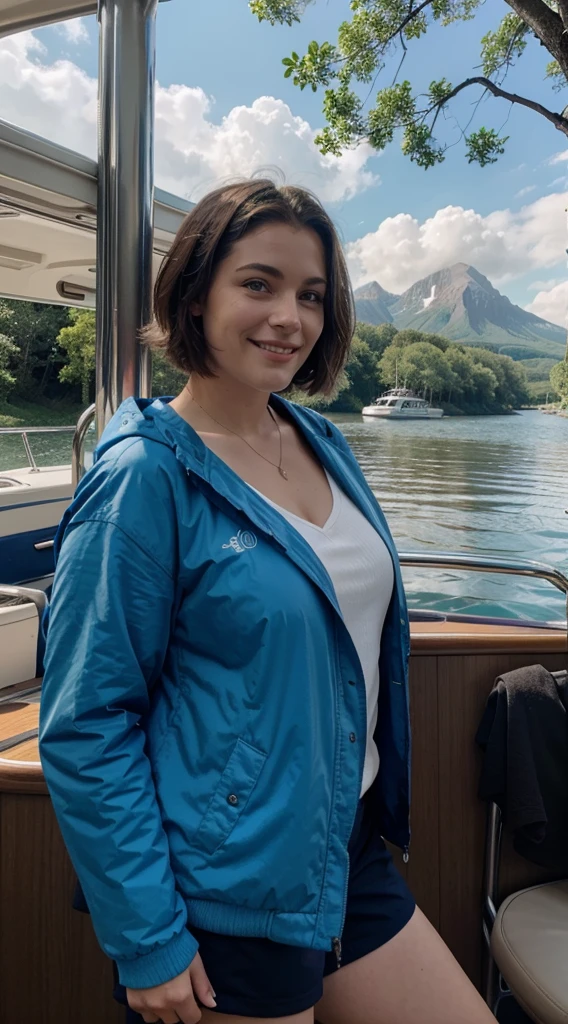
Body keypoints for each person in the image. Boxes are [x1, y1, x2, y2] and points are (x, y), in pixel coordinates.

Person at [39, 179, 496, 1024]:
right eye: (259, 284)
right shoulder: (143, 476)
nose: (290, 316)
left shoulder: (320, 439)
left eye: (312, 295)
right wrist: (148, 938)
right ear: (195, 291)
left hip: (342, 851)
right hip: (224, 893)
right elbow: (86, 722)